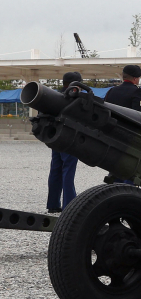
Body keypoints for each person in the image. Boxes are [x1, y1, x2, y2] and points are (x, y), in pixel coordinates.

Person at [46, 72, 87, 212]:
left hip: (54, 138)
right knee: (68, 171)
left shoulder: (53, 97)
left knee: (55, 169)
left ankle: (52, 204)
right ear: (77, 83)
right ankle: (68, 204)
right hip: (70, 139)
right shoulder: (75, 98)